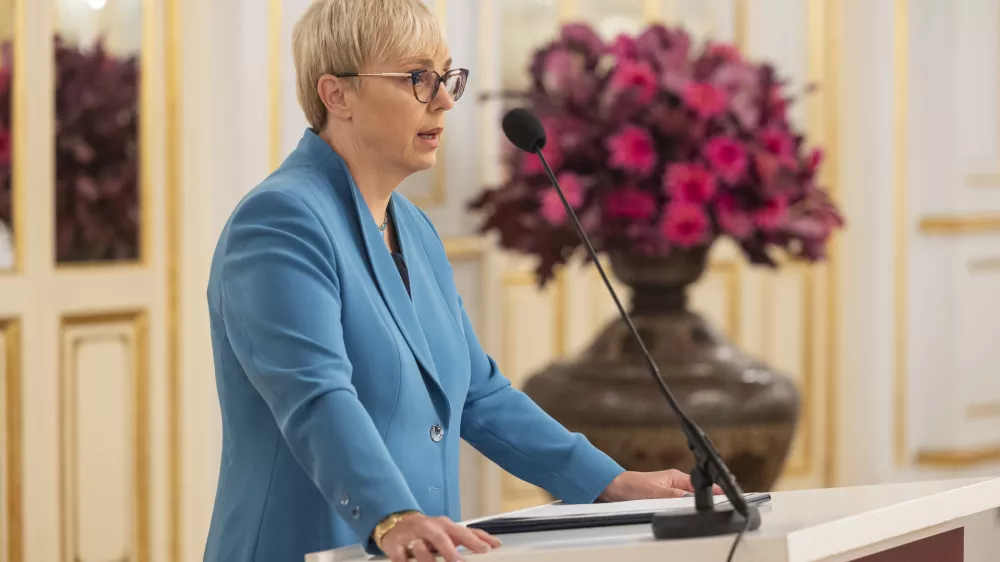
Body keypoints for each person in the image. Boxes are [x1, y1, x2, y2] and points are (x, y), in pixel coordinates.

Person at [203, 1, 712, 561]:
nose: (444, 100)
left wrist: (609, 483)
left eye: (446, 78)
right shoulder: (279, 221)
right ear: (337, 94)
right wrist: (392, 514)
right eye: (417, 78)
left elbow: (478, 393)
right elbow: (315, 395)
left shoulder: (414, 229)